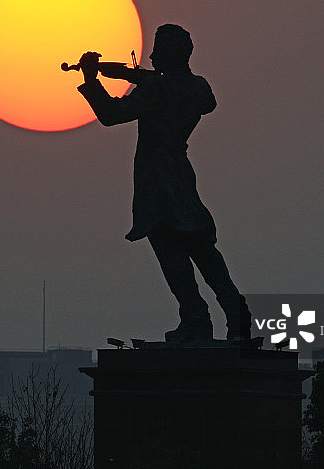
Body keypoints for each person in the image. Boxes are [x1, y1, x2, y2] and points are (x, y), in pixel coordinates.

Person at [76, 24, 251, 344]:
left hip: (157, 179)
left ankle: (195, 318)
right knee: (201, 246)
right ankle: (235, 309)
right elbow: (195, 96)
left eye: (159, 51)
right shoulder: (197, 87)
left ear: (171, 54)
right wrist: (140, 77)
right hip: (181, 175)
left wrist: (91, 79)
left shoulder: (156, 89)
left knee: (170, 251)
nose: (153, 56)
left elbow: (112, 114)